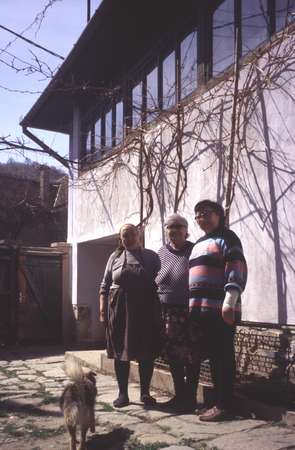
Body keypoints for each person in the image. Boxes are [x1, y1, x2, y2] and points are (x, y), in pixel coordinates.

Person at [189, 200, 247, 422]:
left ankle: (225, 405)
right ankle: (217, 403)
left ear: (219, 215)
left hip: (221, 310)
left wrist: (229, 301)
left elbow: (237, 268)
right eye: (198, 214)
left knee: (223, 357)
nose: (202, 217)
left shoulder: (228, 238)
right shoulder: (198, 244)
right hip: (201, 312)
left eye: (206, 213)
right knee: (213, 357)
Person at [99, 223, 162, 408]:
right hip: (119, 310)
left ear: (139, 235)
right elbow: (104, 285)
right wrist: (103, 310)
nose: (129, 238)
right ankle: (123, 394)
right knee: (121, 352)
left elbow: (162, 281)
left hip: (146, 309)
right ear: (121, 239)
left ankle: (145, 393)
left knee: (146, 352)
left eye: (132, 234)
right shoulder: (115, 257)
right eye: (125, 235)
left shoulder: (151, 257)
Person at [156, 213, 198, 413]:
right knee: (173, 358)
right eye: (169, 227)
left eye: (178, 226)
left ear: (186, 230)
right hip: (166, 314)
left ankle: (190, 399)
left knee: (191, 357)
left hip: (188, 313)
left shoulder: (195, 250)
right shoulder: (161, 253)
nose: (173, 230)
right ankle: (179, 395)